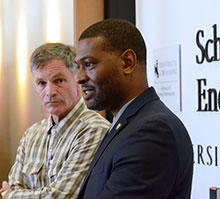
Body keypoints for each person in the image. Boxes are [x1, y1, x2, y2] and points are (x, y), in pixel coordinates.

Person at [0, 42, 110, 198]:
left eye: (59, 81)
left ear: (78, 80)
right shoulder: (32, 134)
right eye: (41, 83)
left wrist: (7, 196)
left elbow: (63, 196)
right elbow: (15, 185)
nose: (50, 92)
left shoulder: (94, 129)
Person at [75, 19, 194, 199]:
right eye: (79, 67)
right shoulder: (127, 124)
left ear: (127, 63)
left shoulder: (152, 131)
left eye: (89, 64)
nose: (80, 77)